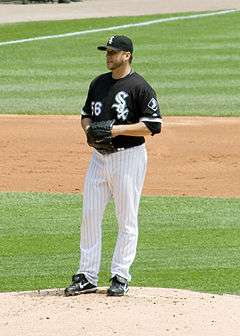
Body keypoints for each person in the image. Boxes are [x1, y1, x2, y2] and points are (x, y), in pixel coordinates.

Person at [65, 35, 162, 297]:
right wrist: (90, 131)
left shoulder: (139, 87)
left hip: (128, 158)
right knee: (90, 215)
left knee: (126, 218)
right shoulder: (98, 83)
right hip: (98, 158)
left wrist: (115, 130)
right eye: (107, 51)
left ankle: (121, 274)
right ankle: (87, 275)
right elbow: (86, 116)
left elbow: (153, 126)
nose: (108, 55)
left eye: (113, 52)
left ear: (127, 55)